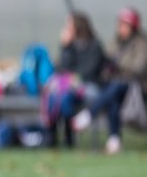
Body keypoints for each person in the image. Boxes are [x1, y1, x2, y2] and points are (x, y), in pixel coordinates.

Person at [76, 7, 147, 154]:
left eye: (124, 25)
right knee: (113, 97)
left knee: (117, 87)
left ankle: (89, 115)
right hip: (117, 87)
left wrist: (117, 65)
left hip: (138, 88)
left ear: (133, 26)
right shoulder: (116, 42)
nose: (121, 28)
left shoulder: (142, 43)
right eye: (120, 24)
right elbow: (107, 61)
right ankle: (114, 140)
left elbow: (138, 67)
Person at [44, 11, 106, 148]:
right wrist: (65, 47)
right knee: (54, 96)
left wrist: (75, 78)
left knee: (65, 97)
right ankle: (51, 136)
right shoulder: (71, 47)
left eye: (69, 25)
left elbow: (91, 70)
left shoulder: (94, 45)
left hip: (90, 86)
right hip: (70, 87)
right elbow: (62, 68)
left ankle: (68, 135)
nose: (66, 28)